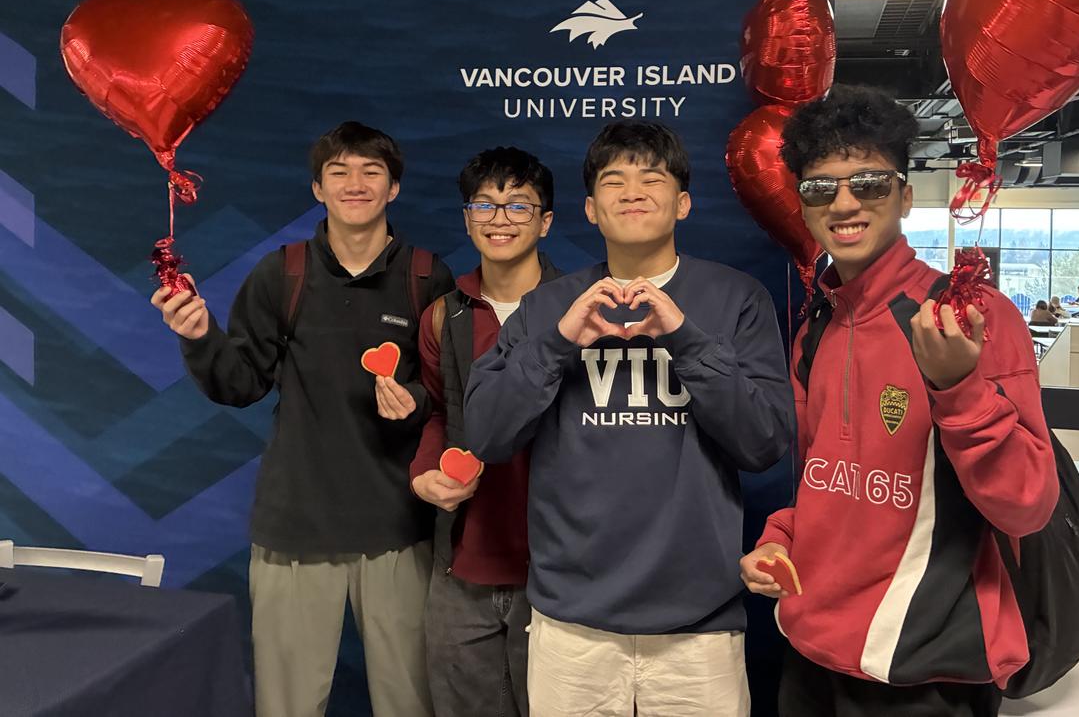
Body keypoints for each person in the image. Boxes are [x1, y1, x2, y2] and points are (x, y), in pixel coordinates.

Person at [738, 86, 1058, 717]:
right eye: (820, 187)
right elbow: (824, 480)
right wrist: (782, 537)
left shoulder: (966, 317)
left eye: (870, 183)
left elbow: (1028, 505)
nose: (846, 203)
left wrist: (959, 390)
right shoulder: (817, 326)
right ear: (802, 205)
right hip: (810, 654)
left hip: (925, 666)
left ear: (905, 195)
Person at [464, 121, 793, 717]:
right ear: (591, 209)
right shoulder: (546, 307)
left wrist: (686, 340)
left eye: (653, 177)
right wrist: (560, 341)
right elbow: (486, 434)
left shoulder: (735, 299)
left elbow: (765, 443)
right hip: (572, 624)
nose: (633, 191)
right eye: (614, 180)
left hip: (700, 626)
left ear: (683, 203)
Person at [152, 122, 453, 717]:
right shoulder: (281, 273)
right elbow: (240, 384)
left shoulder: (427, 277)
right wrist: (200, 336)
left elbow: (447, 400)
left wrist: (413, 403)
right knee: (285, 707)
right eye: (339, 172)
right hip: (295, 527)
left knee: (412, 703)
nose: (355, 183)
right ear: (318, 189)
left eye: (371, 171)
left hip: (399, 530)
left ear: (394, 188)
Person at [412, 147, 562, 717]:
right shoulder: (443, 315)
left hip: (556, 570)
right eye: (486, 205)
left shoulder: (578, 310)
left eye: (518, 206)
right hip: (461, 565)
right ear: (467, 218)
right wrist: (425, 472)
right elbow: (437, 413)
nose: (500, 219)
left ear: (545, 222)